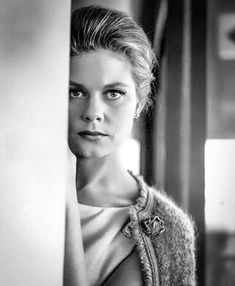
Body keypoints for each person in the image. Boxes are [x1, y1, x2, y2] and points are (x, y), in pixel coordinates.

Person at [68, 5, 196, 286]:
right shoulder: (12, 195)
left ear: (139, 103)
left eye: (113, 93)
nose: (93, 112)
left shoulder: (166, 230)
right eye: (75, 92)